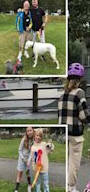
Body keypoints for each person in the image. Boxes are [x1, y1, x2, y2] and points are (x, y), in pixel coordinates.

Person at [58, 63, 90, 192]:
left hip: (64, 132)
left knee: (67, 161)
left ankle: (68, 185)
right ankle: (70, 187)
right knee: (74, 163)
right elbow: (83, 115)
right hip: (75, 134)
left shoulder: (63, 94)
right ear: (80, 79)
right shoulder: (79, 93)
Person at [15, 126, 34, 192]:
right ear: (26, 132)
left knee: (27, 173)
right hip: (22, 159)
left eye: (30, 130)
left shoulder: (34, 140)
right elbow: (19, 150)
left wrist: (29, 160)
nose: (29, 132)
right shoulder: (24, 139)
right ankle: (16, 189)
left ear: (33, 131)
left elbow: (32, 151)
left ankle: (29, 185)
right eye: (27, 131)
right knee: (20, 173)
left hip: (29, 159)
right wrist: (23, 159)